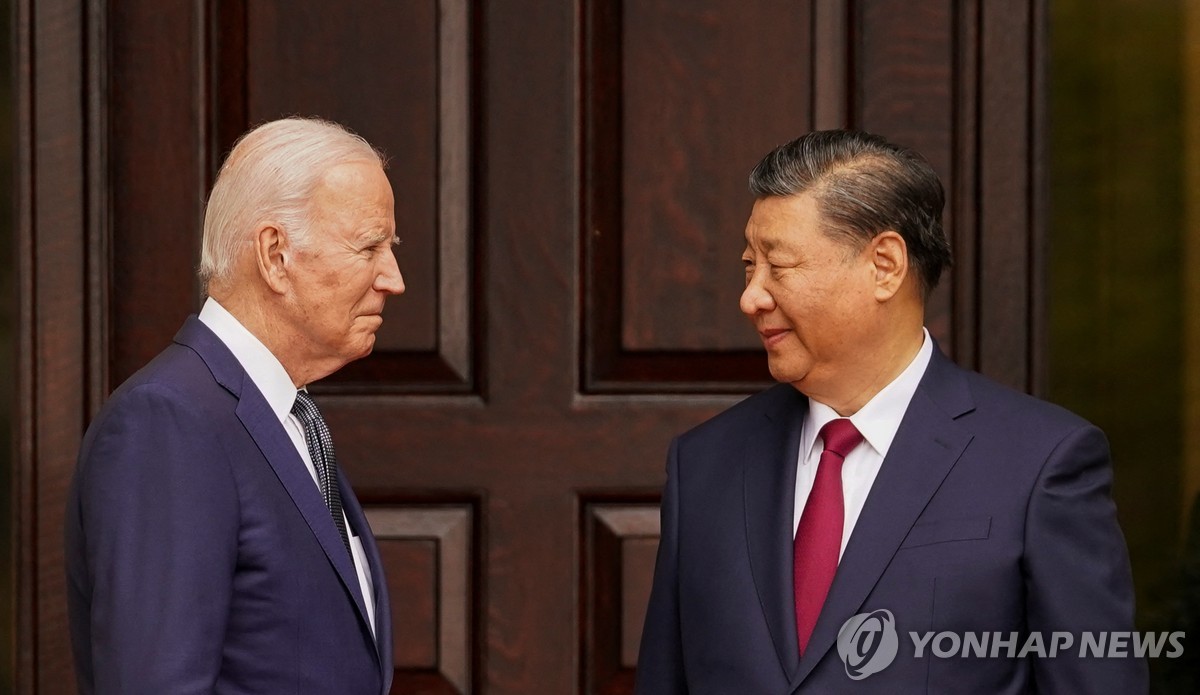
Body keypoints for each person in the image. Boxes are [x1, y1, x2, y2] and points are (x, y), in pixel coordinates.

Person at [635, 130, 1146, 693]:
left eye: (778, 267)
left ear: (884, 264)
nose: (751, 296)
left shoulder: (1038, 464)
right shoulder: (704, 465)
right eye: (748, 266)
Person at [65, 117, 404, 694]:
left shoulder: (287, 417)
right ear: (275, 255)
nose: (392, 278)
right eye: (368, 246)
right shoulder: (168, 422)